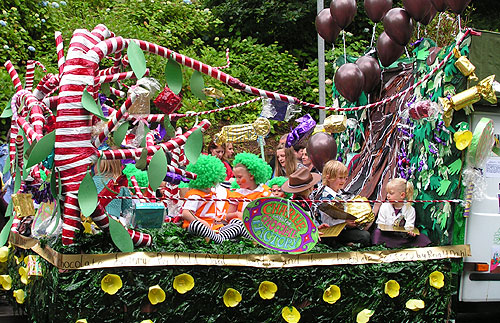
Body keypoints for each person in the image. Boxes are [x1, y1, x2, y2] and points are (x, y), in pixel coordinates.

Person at [181, 155, 247, 243]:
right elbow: (186, 213)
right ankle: (220, 238)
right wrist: (200, 221)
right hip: (199, 229)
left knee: (237, 223)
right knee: (195, 225)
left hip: (213, 229)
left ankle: (251, 239)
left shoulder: (211, 194)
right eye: (210, 182)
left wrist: (217, 219)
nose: (212, 185)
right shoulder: (195, 195)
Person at [313, 160, 371, 247]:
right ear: (328, 178)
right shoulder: (324, 196)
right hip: (329, 232)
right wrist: (345, 222)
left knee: (366, 234)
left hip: (343, 229)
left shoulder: (341, 193)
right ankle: (341, 244)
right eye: (340, 178)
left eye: (345, 178)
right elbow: (326, 221)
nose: (343, 181)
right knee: (364, 236)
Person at [371, 178, 431, 248]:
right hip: (388, 236)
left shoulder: (410, 209)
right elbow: (380, 225)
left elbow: (409, 226)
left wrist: (411, 232)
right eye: (387, 193)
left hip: (403, 237)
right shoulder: (384, 206)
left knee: (422, 238)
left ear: (402, 195)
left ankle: (399, 245)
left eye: (391, 193)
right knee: (377, 233)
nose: (388, 196)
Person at [227, 152, 272, 220]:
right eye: (235, 177)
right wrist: (237, 214)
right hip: (239, 224)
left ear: (251, 176)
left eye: (239, 177)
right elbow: (227, 216)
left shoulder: (265, 193)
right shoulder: (237, 193)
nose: (237, 181)